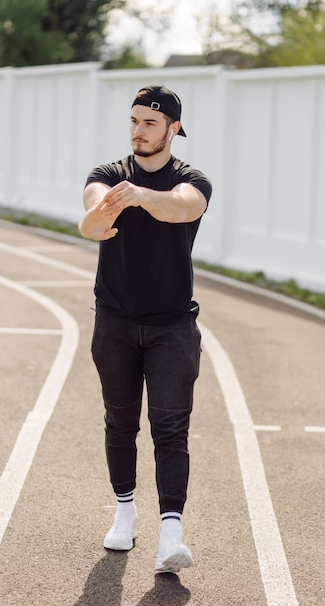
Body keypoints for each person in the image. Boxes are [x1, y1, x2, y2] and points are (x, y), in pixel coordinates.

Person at [79, 85, 212, 573]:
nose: (139, 130)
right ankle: (125, 512)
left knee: (171, 428)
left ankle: (171, 534)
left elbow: (183, 207)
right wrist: (101, 214)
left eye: (150, 123)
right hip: (113, 320)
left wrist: (140, 198)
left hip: (172, 326)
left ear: (173, 128)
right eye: (134, 121)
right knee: (120, 421)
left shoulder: (191, 179)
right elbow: (90, 218)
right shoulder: (108, 174)